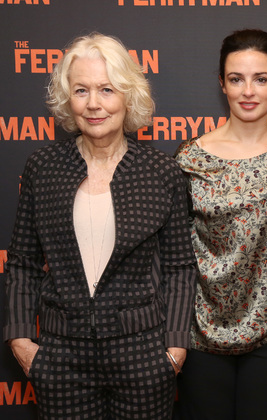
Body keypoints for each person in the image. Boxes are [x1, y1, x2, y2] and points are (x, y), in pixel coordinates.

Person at [3, 33, 197, 419]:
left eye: (107, 90)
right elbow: (22, 261)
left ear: (128, 96)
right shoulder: (43, 168)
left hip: (143, 355)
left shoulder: (161, 172)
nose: (94, 104)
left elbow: (179, 267)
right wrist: (22, 341)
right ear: (67, 99)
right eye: (81, 90)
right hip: (60, 356)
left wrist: (174, 348)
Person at [174, 28, 267, 420]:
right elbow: (172, 254)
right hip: (202, 330)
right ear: (222, 84)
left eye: (261, 78)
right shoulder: (189, 158)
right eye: (236, 79)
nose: (248, 91)